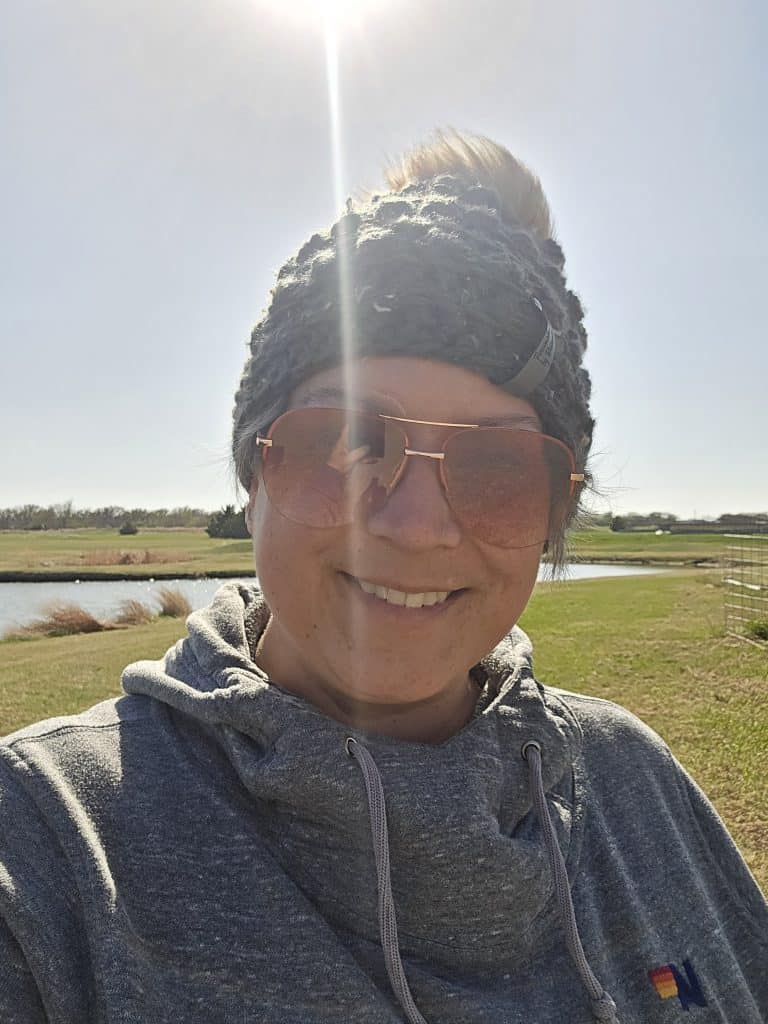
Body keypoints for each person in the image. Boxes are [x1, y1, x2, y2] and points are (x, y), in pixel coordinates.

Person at [0, 130, 765, 1024]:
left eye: (500, 469)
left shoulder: (635, 783)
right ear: (252, 477)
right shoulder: (47, 846)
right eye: (349, 441)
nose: (417, 525)